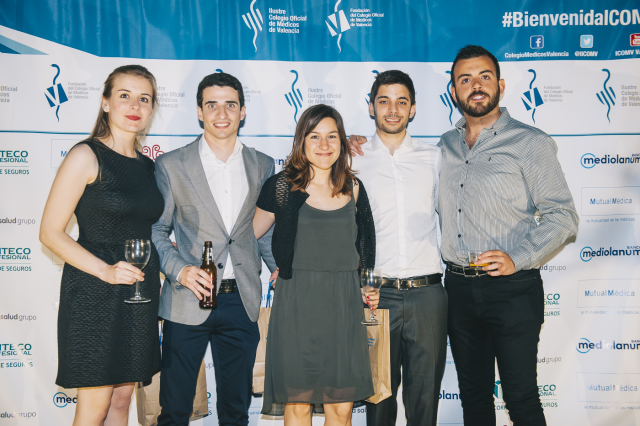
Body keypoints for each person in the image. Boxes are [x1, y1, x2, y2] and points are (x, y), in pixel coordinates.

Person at [439, 45, 578, 425]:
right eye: (465, 79)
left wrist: (518, 257)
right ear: (453, 91)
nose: (476, 85)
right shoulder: (444, 146)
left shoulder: (529, 142)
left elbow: (563, 217)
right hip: (458, 290)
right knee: (474, 402)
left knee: (521, 400)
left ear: (500, 85)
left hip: (512, 290)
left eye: (484, 77)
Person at [40, 65, 163, 426]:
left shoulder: (148, 167)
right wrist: (105, 271)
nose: (134, 105)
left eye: (144, 98)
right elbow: (50, 232)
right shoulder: (86, 155)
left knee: (122, 402)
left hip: (138, 291)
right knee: (93, 407)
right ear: (106, 102)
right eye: (124, 95)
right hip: (94, 290)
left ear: (152, 109)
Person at [151, 72, 276, 426]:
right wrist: (180, 270)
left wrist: (279, 267)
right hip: (187, 298)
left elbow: (261, 231)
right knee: (175, 411)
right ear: (199, 112)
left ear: (243, 111)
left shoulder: (263, 164)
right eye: (212, 105)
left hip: (241, 301)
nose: (222, 114)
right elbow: (157, 229)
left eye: (230, 105)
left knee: (236, 412)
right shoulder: (171, 164)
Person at [253, 104, 377, 426]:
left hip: (344, 303)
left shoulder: (354, 187)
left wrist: (368, 285)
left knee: (342, 408)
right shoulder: (282, 186)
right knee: (298, 405)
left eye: (332, 136)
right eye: (314, 136)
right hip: (297, 302)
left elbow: (366, 244)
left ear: (342, 141)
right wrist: (279, 263)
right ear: (301, 141)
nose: (324, 145)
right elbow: (247, 235)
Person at [346, 70, 448, 426]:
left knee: (425, 405)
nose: (393, 109)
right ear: (371, 107)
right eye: (384, 101)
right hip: (376, 296)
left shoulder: (435, 158)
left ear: (413, 109)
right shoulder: (351, 158)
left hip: (428, 296)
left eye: (401, 102)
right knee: (378, 406)